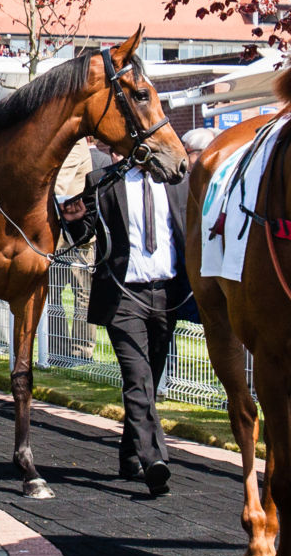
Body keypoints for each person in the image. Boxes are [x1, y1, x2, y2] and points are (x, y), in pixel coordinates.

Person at [57, 145, 197, 496]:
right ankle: (154, 461)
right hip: (123, 296)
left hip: (166, 294)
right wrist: (73, 221)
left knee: (150, 375)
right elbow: (84, 233)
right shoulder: (101, 182)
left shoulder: (178, 181)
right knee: (138, 378)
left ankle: (129, 455)